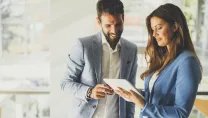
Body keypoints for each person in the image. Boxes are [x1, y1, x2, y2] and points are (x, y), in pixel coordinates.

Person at [115, 3, 202, 118]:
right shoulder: (162, 58)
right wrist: (133, 94)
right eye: (152, 29)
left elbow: (180, 114)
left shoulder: (187, 61)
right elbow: (154, 98)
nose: (154, 34)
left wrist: (143, 104)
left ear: (175, 27)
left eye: (159, 28)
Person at [60, 0, 138, 118]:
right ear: (98, 21)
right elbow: (65, 83)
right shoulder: (83, 46)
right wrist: (89, 92)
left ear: (123, 18)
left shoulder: (131, 50)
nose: (114, 31)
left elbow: (130, 93)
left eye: (118, 24)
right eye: (108, 25)